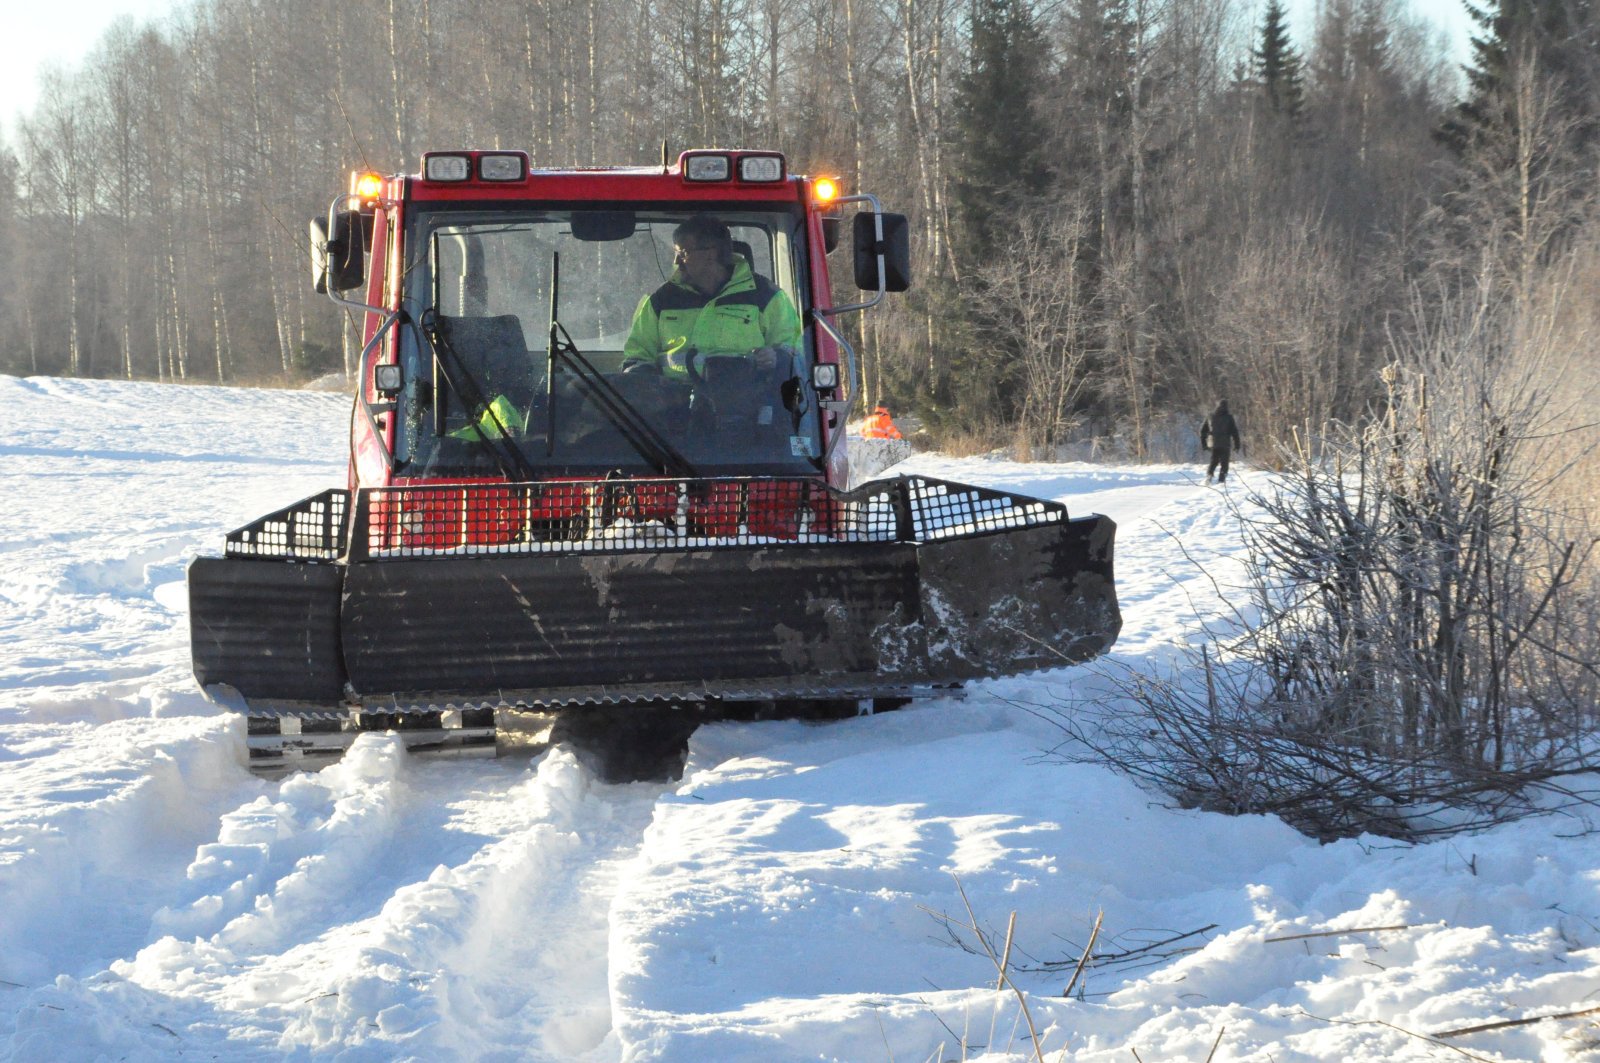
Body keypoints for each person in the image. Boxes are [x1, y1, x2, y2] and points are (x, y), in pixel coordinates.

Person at [621, 214, 802, 379]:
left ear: (710, 254)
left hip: (748, 406)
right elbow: (637, 355)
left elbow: (797, 350)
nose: (676, 262)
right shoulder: (660, 300)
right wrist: (642, 380)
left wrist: (777, 356)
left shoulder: (766, 296)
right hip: (674, 409)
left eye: (683, 253)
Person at [1200, 399, 1242, 483]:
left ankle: (1209, 475)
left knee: (1214, 461)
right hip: (1225, 443)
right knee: (1224, 463)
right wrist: (1237, 445)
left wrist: (1204, 444)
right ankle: (1221, 480)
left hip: (1213, 443)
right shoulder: (1229, 418)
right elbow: (1235, 432)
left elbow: (1202, 431)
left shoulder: (1210, 416)